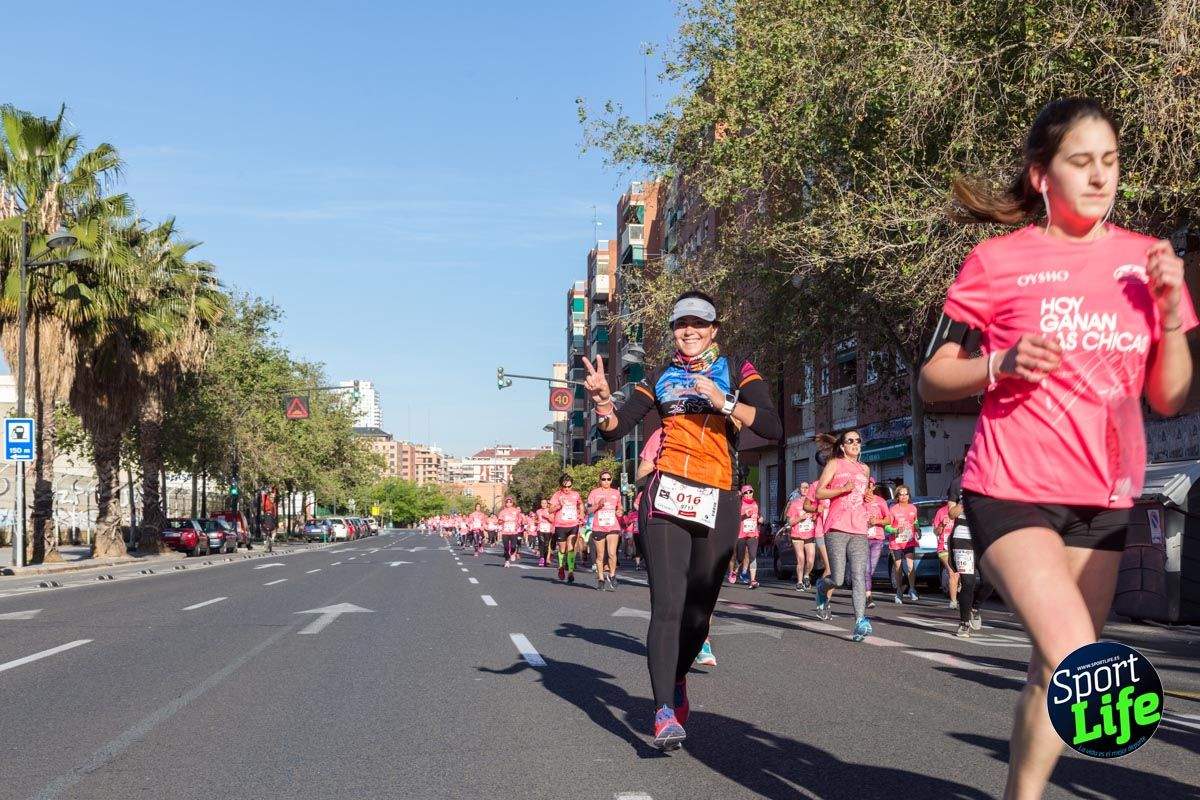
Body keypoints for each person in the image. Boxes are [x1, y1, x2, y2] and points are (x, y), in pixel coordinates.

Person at [920, 97, 1195, 800]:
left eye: (1110, 161)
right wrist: (999, 364)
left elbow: (1170, 397)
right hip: (1011, 487)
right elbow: (931, 378)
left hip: (1104, 498)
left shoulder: (1146, 262)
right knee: (1083, 661)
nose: (1100, 177)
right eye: (1081, 162)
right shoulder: (997, 261)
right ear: (1042, 176)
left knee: (1051, 668)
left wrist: (1170, 312)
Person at [583, 289, 781, 749]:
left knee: (698, 613)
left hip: (719, 496)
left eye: (698, 323)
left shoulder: (738, 369)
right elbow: (617, 430)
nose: (688, 330)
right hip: (664, 495)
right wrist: (601, 403)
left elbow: (772, 426)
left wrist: (726, 401)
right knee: (668, 606)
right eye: (680, 324)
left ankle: (676, 679)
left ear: (713, 329)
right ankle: (663, 711)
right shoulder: (660, 376)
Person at [813, 430, 873, 641]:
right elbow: (819, 492)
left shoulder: (865, 469)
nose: (855, 443)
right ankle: (822, 587)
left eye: (858, 440)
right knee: (838, 578)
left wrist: (868, 497)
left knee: (858, 576)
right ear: (842, 446)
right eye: (850, 441)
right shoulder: (835, 464)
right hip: (837, 528)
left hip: (859, 529)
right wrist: (842, 490)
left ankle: (859, 622)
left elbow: (863, 498)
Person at [588, 469, 623, 590]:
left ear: (611, 480)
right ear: (600, 480)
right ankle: (601, 579)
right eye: (604, 479)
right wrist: (598, 505)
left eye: (608, 479)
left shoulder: (616, 493)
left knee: (612, 553)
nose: (606, 481)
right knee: (600, 556)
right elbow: (588, 510)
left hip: (613, 526)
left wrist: (620, 511)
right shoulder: (594, 493)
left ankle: (612, 575)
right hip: (599, 526)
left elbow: (620, 507)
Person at [887, 485, 920, 603]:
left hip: (909, 541)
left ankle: (912, 589)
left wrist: (918, 529)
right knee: (898, 567)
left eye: (906, 494)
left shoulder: (913, 508)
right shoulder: (893, 509)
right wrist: (895, 530)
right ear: (897, 496)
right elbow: (887, 526)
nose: (904, 496)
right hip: (896, 543)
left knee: (911, 566)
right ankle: (899, 592)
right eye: (901, 494)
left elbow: (915, 521)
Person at [549, 475, 584, 583]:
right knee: (562, 549)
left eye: (569, 486)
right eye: (565, 487)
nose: (567, 489)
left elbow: (581, 504)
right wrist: (558, 506)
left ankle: (571, 571)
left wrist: (582, 513)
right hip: (561, 525)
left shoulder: (575, 494)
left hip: (573, 524)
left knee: (571, 548)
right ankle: (560, 567)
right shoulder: (557, 495)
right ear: (561, 486)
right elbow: (550, 510)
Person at [864, 480, 891, 609]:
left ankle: (863, 590)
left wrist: (876, 521)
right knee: (867, 569)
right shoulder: (858, 501)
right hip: (861, 539)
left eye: (869, 486)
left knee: (871, 569)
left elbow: (888, 519)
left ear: (873, 487)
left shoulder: (880, 501)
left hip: (877, 539)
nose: (867, 488)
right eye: (864, 486)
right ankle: (868, 596)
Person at [932, 491, 961, 607]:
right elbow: (935, 532)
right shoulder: (941, 512)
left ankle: (958, 587)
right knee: (952, 572)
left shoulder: (963, 510)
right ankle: (953, 601)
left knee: (960, 574)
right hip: (944, 548)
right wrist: (942, 525)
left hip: (959, 546)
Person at [785, 483, 816, 591]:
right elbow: (790, 522)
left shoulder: (813, 503)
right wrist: (800, 518)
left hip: (810, 534)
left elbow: (818, 517)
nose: (805, 489)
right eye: (802, 487)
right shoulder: (794, 503)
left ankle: (806, 575)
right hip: (797, 534)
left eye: (807, 487)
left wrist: (814, 518)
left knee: (811, 559)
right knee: (801, 559)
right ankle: (799, 581)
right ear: (799, 490)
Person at [733, 485, 763, 589]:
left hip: (753, 534)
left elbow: (759, 515)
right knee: (740, 557)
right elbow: (734, 518)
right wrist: (744, 515)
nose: (749, 494)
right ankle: (735, 571)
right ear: (743, 494)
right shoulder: (739, 504)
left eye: (750, 492)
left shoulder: (756, 503)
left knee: (752, 556)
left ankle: (753, 580)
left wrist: (760, 519)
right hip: (741, 534)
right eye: (746, 492)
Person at [497, 497, 523, 567]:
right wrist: (502, 521)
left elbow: (520, 519)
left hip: (513, 531)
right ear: (505, 503)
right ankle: (507, 561)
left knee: (513, 546)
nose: (508, 503)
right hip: (505, 531)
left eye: (510, 502)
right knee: (506, 547)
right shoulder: (502, 512)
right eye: (507, 502)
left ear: (512, 503)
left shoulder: (516, 511)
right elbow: (499, 521)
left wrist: (518, 524)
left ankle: (512, 553)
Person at [535, 499, 554, 567]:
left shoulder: (550, 511)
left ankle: (545, 559)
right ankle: (541, 558)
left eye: (545, 503)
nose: (543, 504)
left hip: (548, 529)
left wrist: (547, 516)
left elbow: (553, 520)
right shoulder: (538, 511)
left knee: (546, 545)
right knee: (541, 542)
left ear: (547, 504)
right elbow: (536, 519)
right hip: (540, 529)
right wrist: (536, 522)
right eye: (542, 503)